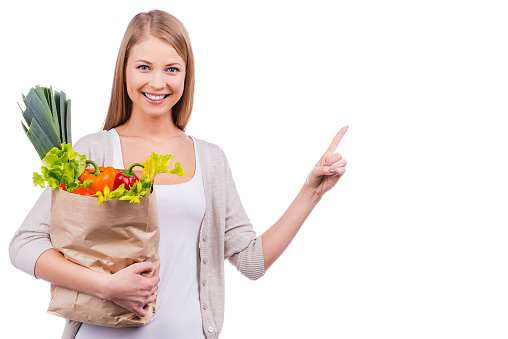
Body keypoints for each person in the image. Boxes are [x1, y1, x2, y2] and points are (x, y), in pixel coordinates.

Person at [9, 9, 348, 339]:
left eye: (172, 69)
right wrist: (106, 286)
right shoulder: (93, 151)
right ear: (124, 71)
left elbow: (251, 261)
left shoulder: (210, 160)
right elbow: (24, 245)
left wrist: (311, 192)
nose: (157, 82)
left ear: (187, 75)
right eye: (144, 67)